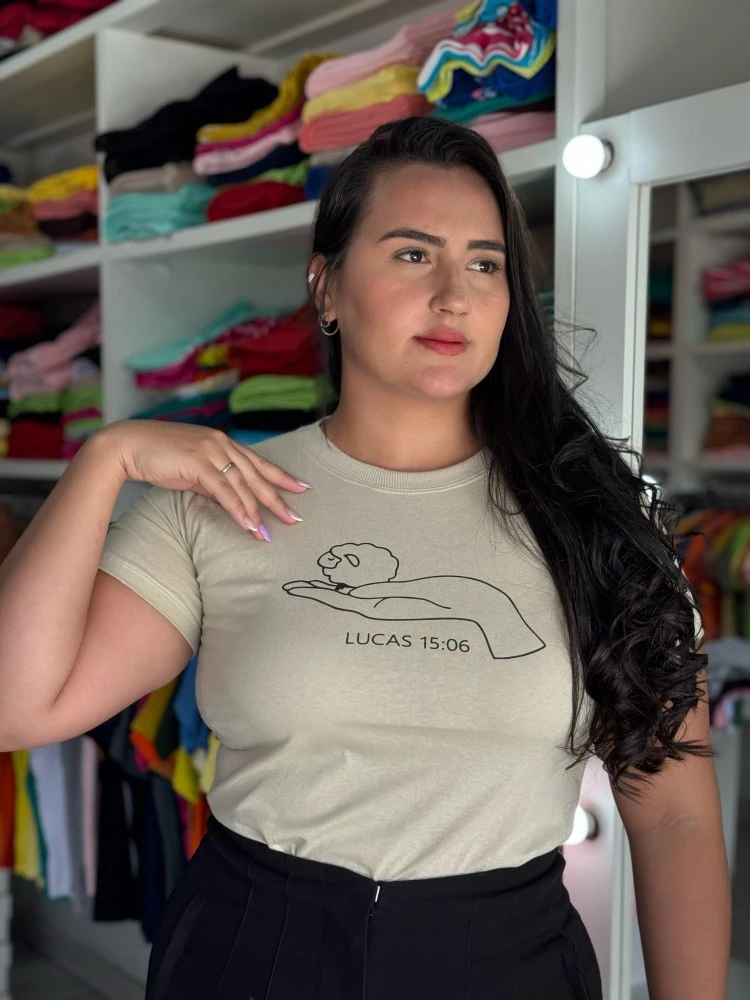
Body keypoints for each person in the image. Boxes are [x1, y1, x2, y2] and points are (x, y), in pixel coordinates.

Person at [0, 117, 729, 1000]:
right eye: (414, 254)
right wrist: (104, 458)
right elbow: (17, 708)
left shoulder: (597, 521)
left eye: (486, 264)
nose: (454, 295)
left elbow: (677, 816)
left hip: (508, 962)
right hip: (254, 949)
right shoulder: (222, 499)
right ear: (327, 286)